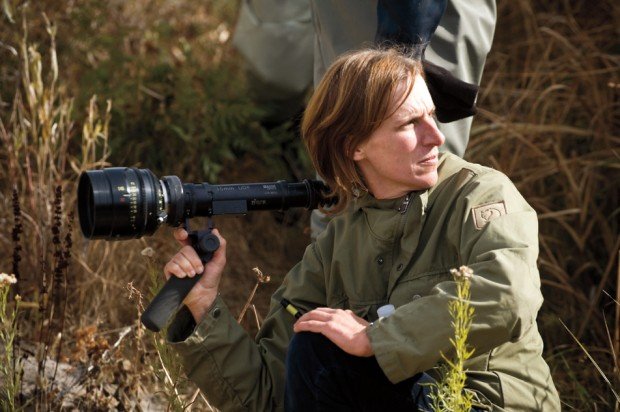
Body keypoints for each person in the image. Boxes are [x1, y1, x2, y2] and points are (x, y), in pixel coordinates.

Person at [164, 49, 560, 411]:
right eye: (410, 123)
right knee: (316, 347)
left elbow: (510, 294)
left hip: (484, 403)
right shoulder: (331, 250)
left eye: (432, 117)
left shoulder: (479, 193)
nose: (436, 137)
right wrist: (203, 308)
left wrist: (377, 338)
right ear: (354, 145)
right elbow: (272, 397)